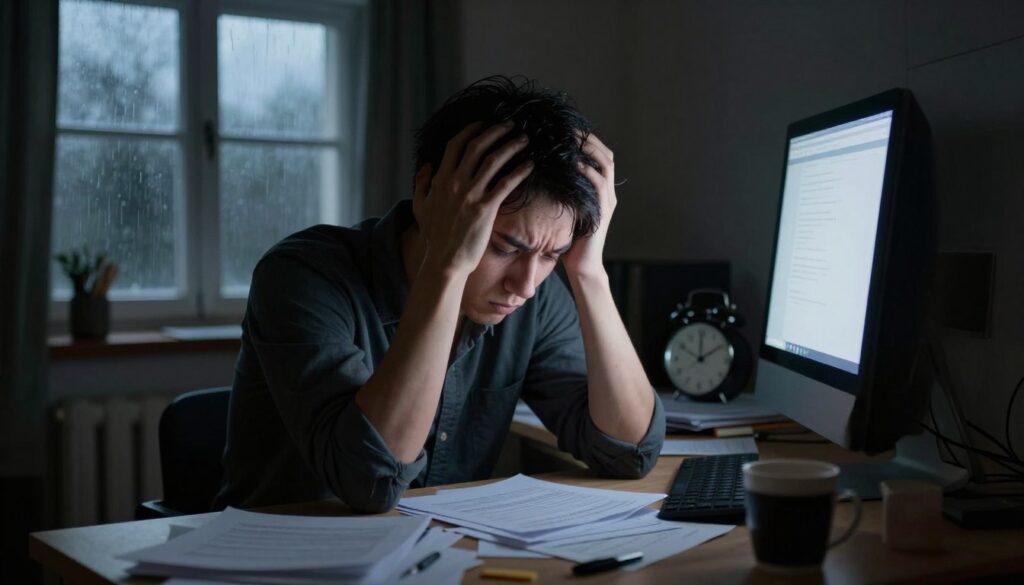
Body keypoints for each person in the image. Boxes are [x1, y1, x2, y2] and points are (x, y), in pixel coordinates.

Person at [214, 76, 665, 513]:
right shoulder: (302, 276)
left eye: (553, 254)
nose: (525, 285)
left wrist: (587, 271)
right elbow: (371, 482)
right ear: (430, 194)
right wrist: (447, 266)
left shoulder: (536, 297)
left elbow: (628, 453)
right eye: (505, 247)